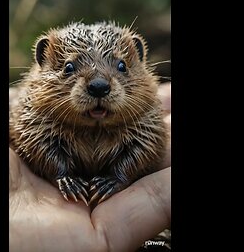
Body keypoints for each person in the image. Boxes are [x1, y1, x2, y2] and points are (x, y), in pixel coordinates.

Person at [9, 83, 171, 252]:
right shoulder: (36, 112)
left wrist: (121, 176)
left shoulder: (145, 114)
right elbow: (31, 141)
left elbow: (150, 146)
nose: (99, 85)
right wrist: (59, 174)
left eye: (121, 67)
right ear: (43, 60)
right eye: (69, 68)